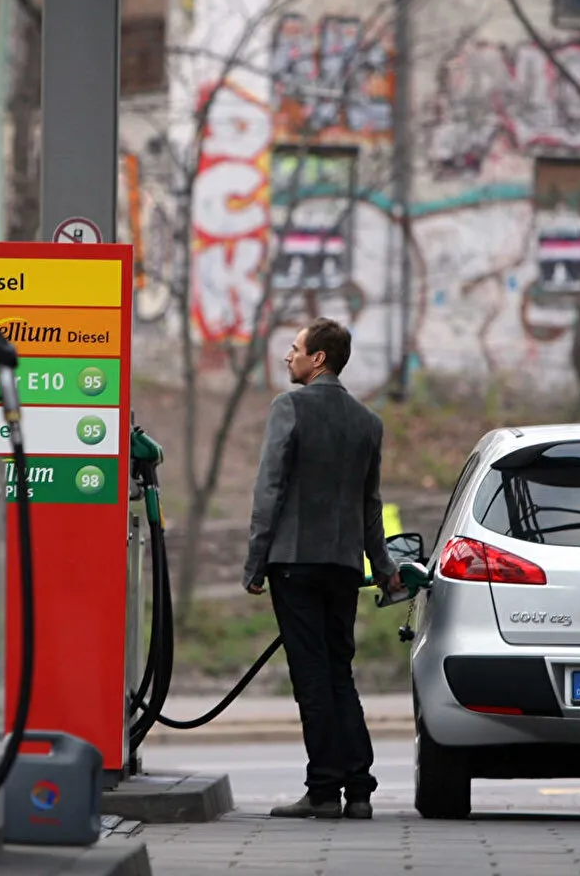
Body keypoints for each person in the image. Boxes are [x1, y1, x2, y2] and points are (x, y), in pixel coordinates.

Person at [242, 317, 404, 820]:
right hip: (342, 567)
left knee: (311, 677)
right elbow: (369, 505)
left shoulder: (289, 407)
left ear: (318, 359)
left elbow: (270, 488)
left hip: (293, 563)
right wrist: (383, 566)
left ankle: (322, 791)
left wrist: (255, 561)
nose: (286, 357)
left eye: (294, 349)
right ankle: (357, 790)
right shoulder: (367, 422)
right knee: (338, 673)